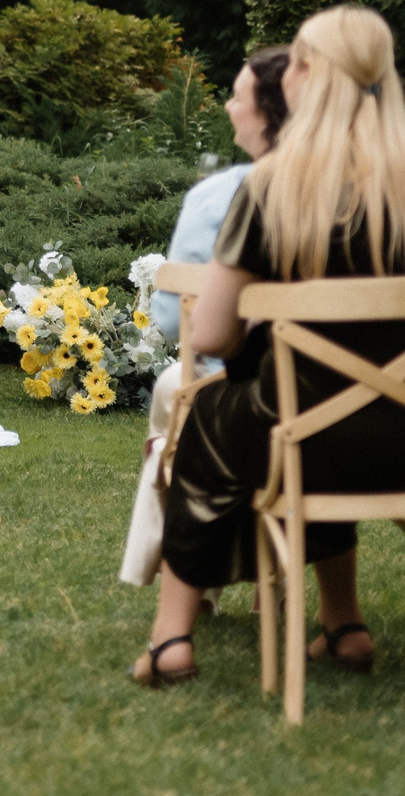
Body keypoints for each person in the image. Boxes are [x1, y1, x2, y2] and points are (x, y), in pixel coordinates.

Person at [134, 6, 405, 688]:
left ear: (310, 74)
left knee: (212, 416)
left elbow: (211, 335)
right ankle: (343, 620)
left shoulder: (273, 185)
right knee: (307, 405)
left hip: (305, 436)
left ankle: (171, 636)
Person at [119, 46, 289, 587]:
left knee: (177, 396)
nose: (226, 109)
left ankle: (184, 588)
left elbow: (177, 325)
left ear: (266, 113)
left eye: (236, 98)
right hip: (371, 394)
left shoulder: (222, 195)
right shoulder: (375, 189)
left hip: (250, 388)